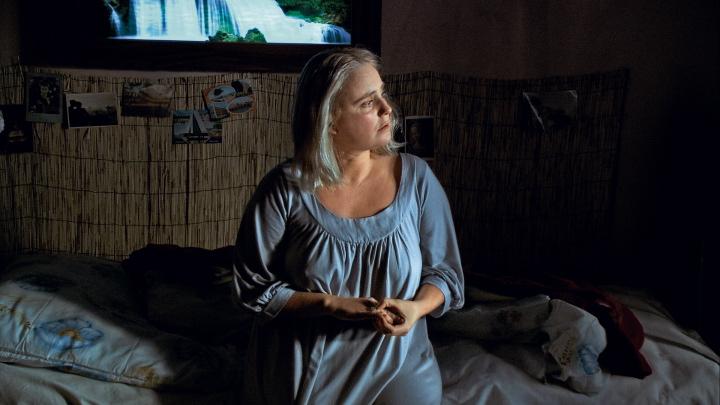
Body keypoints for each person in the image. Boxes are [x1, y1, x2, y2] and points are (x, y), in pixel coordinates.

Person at [232, 47, 464, 404]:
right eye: (368, 103)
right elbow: (253, 289)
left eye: (382, 94)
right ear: (330, 120)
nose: (387, 109)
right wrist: (329, 305)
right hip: (308, 362)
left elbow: (445, 275)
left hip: (399, 359)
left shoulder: (416, 178)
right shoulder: (284, 189)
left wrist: (416, 309)